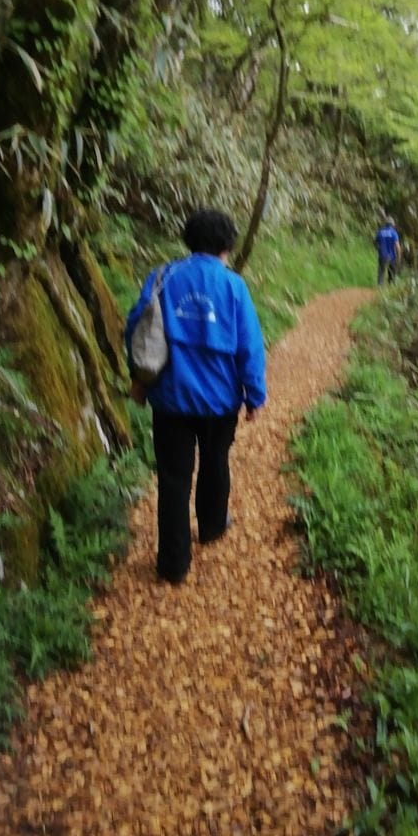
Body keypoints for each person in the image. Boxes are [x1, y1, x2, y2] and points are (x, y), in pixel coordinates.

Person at [125, 207, 266, 584]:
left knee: (174, 477)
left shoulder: (163, 277)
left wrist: (137, 376)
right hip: (220, 401)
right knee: (216, 462)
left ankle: (173, 563)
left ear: (188, 239)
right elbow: (249, 347)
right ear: (228, 244)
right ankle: (212, 525)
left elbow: (136, 328)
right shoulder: (234, 287)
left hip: (171, 399)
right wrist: (254, 396)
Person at [375, 216, 402, 285]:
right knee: (392, 274)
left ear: (385, 223)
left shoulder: (380, 232)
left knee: (381, 272)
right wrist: (399, 257)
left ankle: (380, 287)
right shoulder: (394, 233)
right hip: (392, 256)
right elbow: (397, 246)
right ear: (393, 224)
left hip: (382, 256)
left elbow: (375, 243)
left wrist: (379, 250)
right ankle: (391, 286)